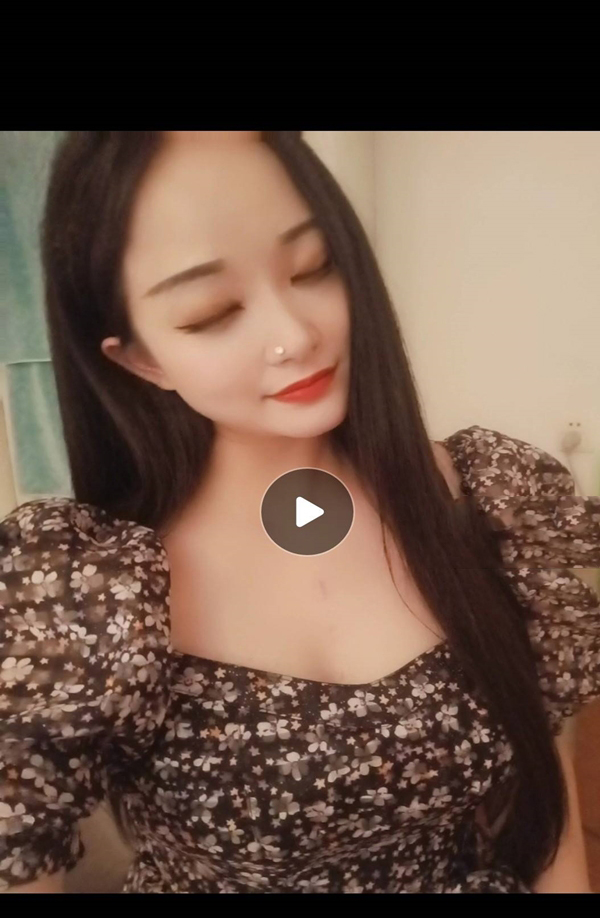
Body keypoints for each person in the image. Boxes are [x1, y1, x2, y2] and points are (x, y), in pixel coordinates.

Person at [1, 130, 599, 894]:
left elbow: (545, 807)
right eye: (212, 311)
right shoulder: (84, 596)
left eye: (314, 267)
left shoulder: (491, 498)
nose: (295, 336)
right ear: (141, 358)